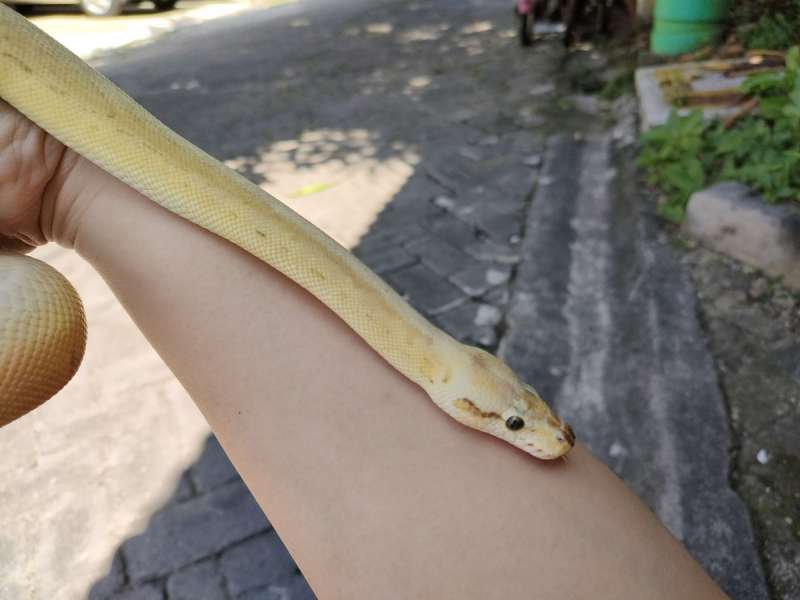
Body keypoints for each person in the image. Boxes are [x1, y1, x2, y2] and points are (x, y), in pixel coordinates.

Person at [0, 99, 727, 599]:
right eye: (515, 422)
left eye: (522, 417)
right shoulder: (447, 374)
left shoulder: (457, 375)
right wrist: (52, 172)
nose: (536, 434)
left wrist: (51, 171)